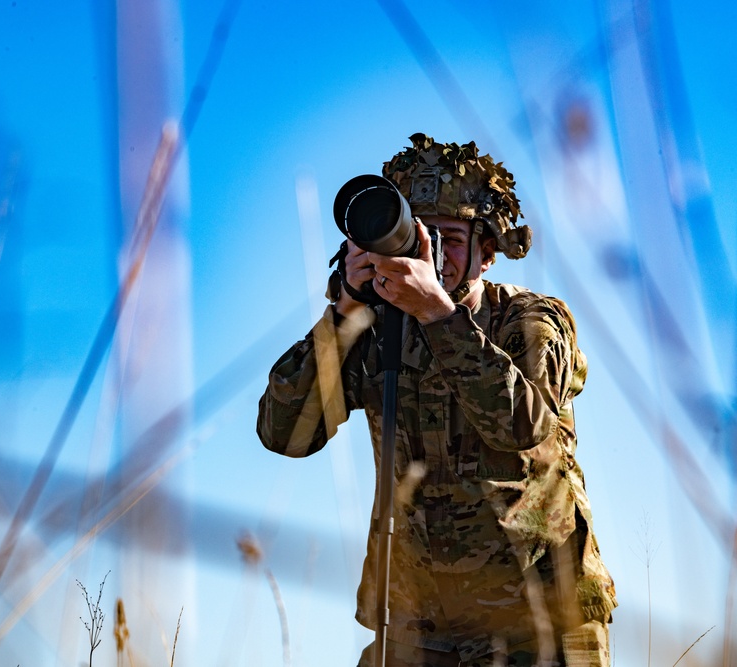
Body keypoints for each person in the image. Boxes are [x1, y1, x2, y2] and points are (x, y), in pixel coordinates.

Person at [257, 134, 616, 666]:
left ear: (487, 254)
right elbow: (285, 434)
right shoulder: (373, 328)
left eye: (447, 239)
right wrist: (346, 311)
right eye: (415, 237)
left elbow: (525, 426)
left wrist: (438, 316)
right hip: (416, 623)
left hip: (537, 614)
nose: (428, 254)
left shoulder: (531, 320)